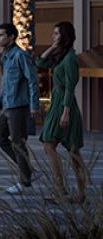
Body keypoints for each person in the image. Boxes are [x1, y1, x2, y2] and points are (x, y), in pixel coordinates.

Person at [36, 21, 85, 204]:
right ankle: (61, 190)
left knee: (73, 151)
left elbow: (70, 88)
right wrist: (52, 47)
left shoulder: (71, 59)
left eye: (56, 34)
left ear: (65, 36)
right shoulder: (60, 56)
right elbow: (40, 61)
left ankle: (78, 193)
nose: (53, 36)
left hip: (65, 105)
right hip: (56, 103)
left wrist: (66, 112)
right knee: (50, 145)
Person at [0, 21, 36, 195]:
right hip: (7, 105)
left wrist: (34, 105)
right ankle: (27, 169)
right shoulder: (5, 56)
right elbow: (6, 82)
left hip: (19, 106)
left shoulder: (20, 56)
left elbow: (32, 80)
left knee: (18, 144)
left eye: (2, 35)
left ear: (11, 37)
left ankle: (25, 182)